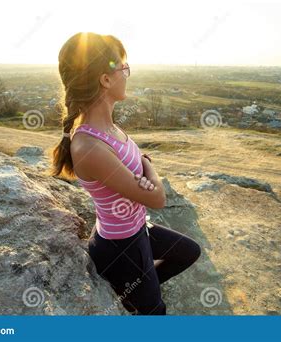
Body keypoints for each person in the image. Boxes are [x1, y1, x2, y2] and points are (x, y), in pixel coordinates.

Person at [50, 32, 201, 315]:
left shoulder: (109, 129)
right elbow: (156, 198)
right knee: (155, 313)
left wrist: (142, 173)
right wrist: (148, 167)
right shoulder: (90, 146)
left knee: (189, 251)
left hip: (137, 229)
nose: (127, 74)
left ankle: (138, 290)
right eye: (124, 68)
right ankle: (137, 295)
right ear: (105, 79)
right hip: (121, 248)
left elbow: (143, 187)